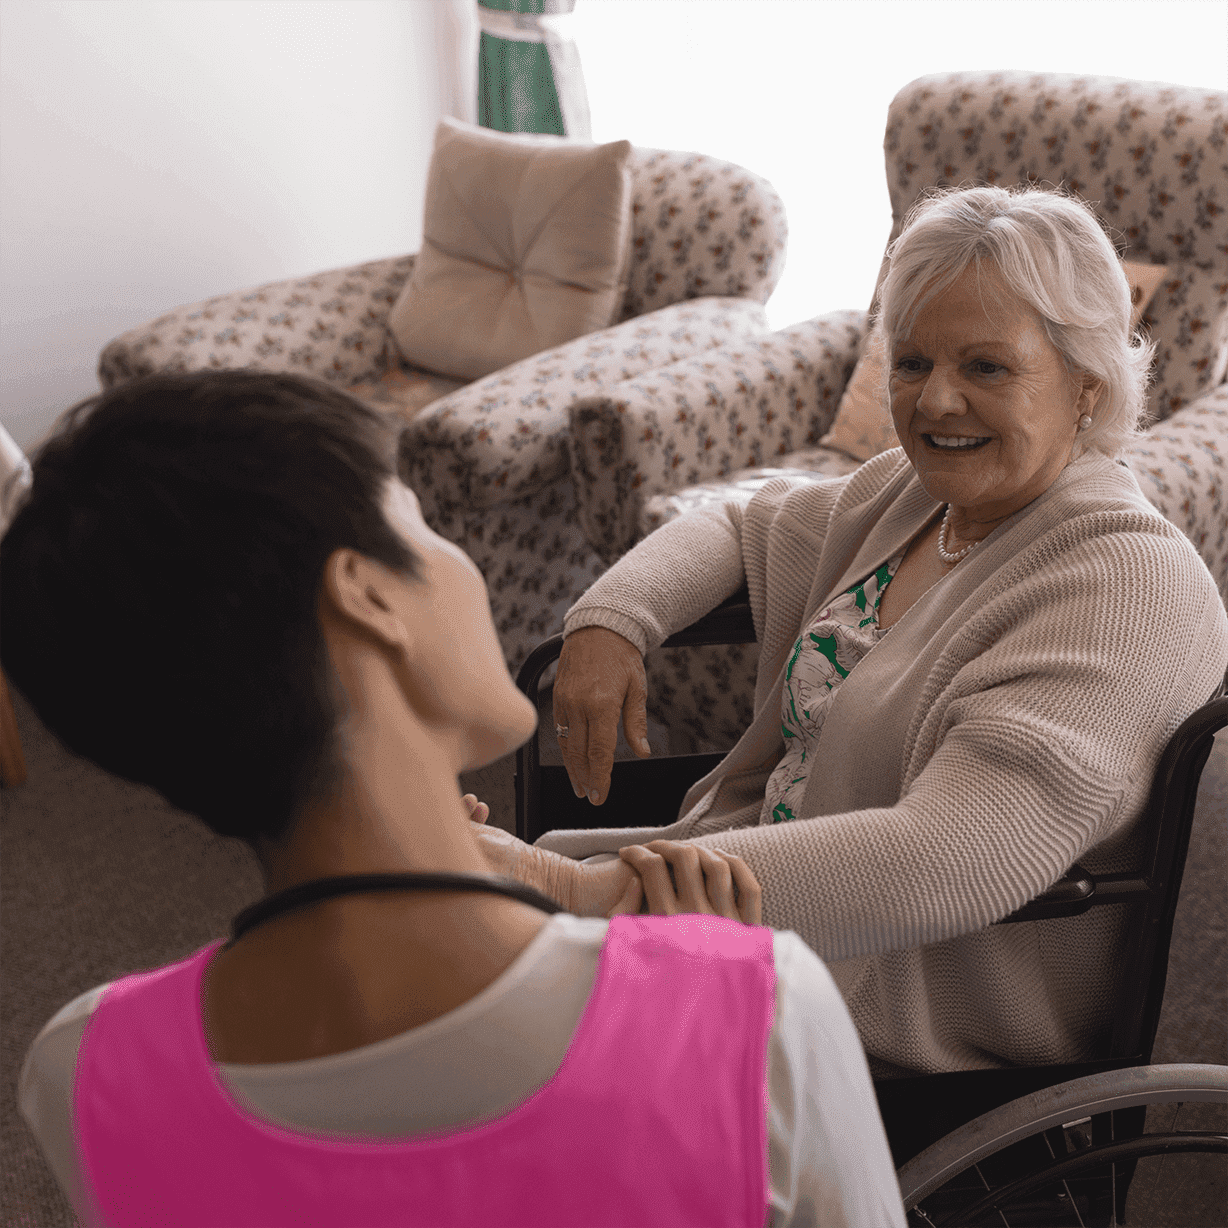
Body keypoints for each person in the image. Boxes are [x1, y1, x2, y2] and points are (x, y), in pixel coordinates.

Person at [5, 370, 906, 1227]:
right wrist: (706, 994)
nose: (462, 561)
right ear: (367, 595)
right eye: (425, 524)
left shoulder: (80, 1071)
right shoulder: (758, 1012)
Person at [478, 184, 1228, 1079]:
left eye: (987, 368)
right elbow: (734, 528)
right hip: (744, 921)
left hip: (889, 1015)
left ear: (1085, 387)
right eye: (911, 363)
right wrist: (610, 622)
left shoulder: (1124, 582)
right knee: (438, 936)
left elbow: (951, 857)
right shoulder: (914, 499)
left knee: (477, 1020)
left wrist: (586, 894)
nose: (937, 401)